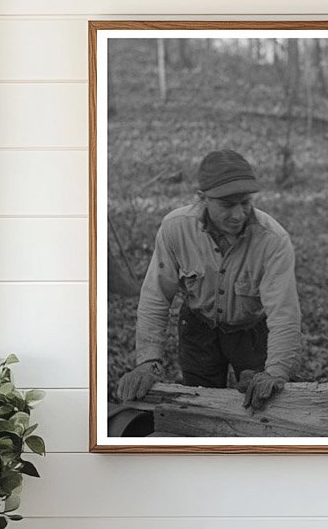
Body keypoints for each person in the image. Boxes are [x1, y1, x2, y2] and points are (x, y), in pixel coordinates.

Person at [115, 149, 302, 412]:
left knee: (264, 408)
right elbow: (155, 297)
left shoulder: (273, 241)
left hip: (252, 332)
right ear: (203, 199)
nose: (238, 214)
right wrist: (148, 361)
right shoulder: (175, 228)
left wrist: (277, 372)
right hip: (198, 329)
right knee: (200, 407)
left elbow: (284, 314)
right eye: (227, 205)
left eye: (246, 202)